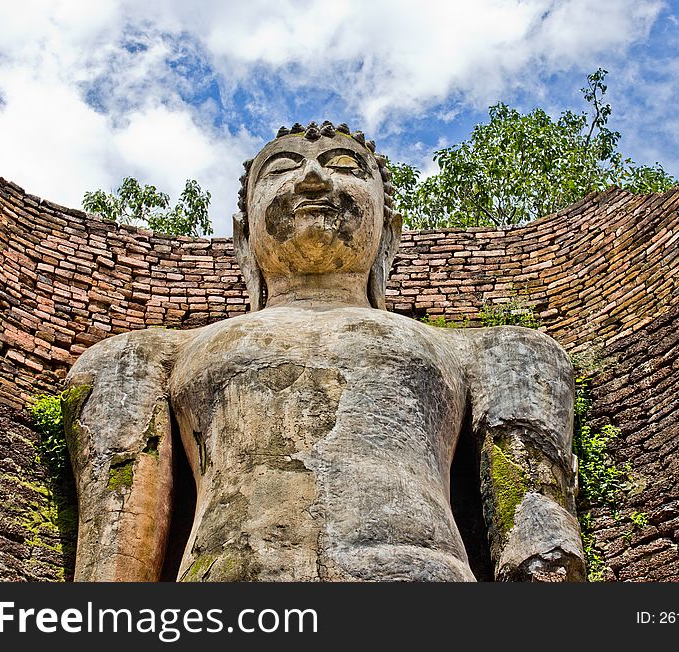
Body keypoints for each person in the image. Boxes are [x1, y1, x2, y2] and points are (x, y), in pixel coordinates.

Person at [63, 121, 586, 582]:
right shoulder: (144, 356)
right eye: (283, 169)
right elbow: (112, 558)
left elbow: (539, 542)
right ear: (244, 237)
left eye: (343, 166)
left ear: (389, 231)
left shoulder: (498, 350)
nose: (313, 179)